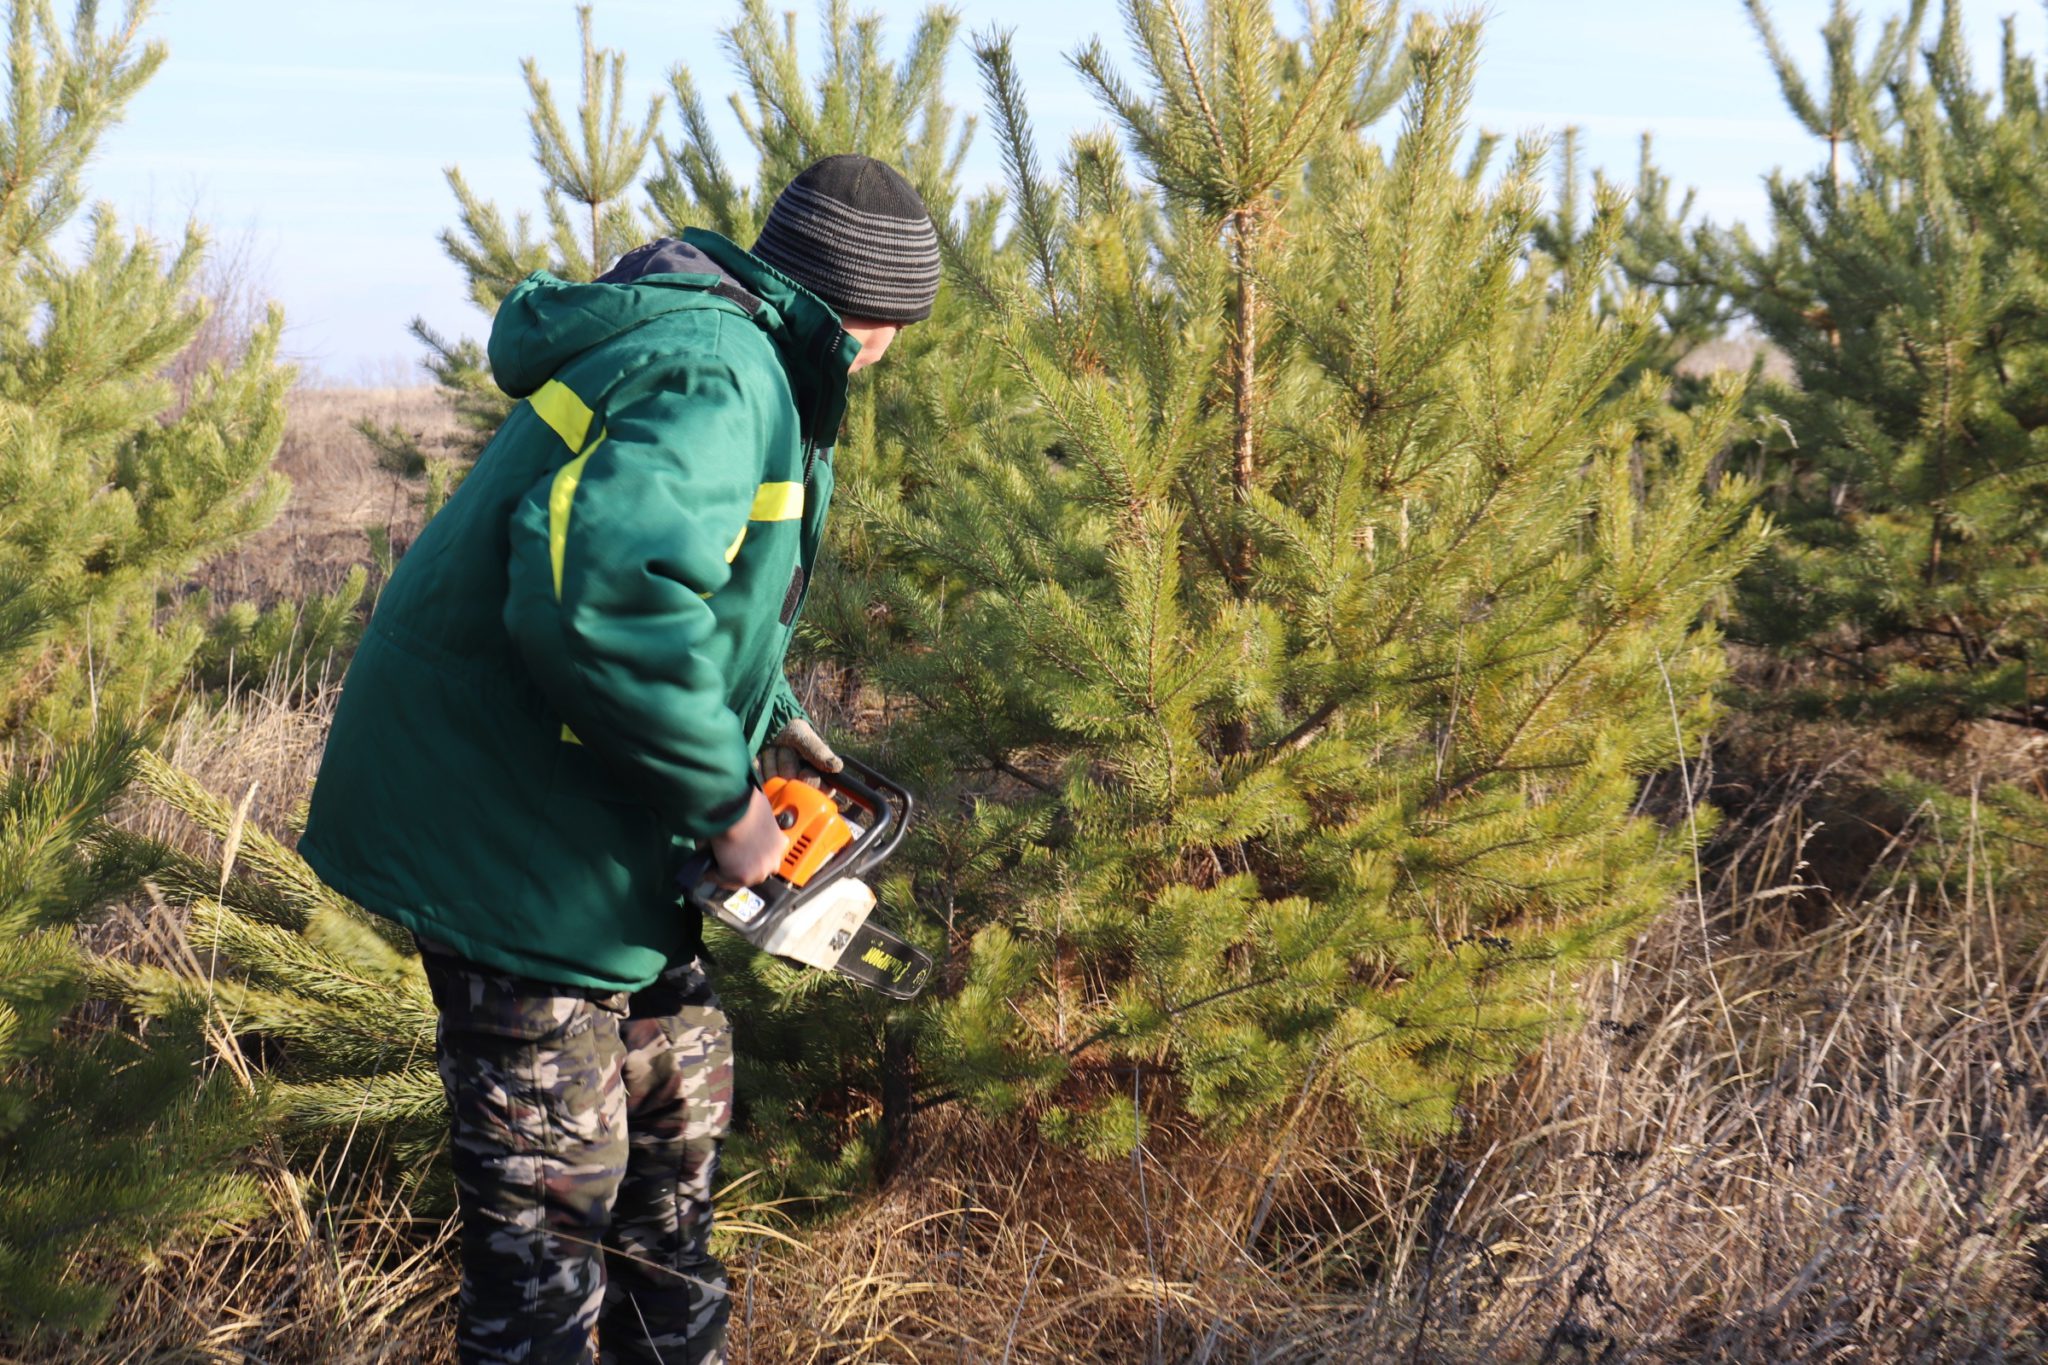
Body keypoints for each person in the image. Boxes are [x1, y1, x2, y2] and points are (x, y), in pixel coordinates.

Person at [298, 154, 940, 1365]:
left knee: (672, 1135)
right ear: (873, 320)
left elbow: (700, 608)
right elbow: (603, 604)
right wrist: (725, 805)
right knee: (544, 1249)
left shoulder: (739, 357)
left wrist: (772, 730)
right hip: (515, 851)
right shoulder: (720, 371)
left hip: (586, 833)